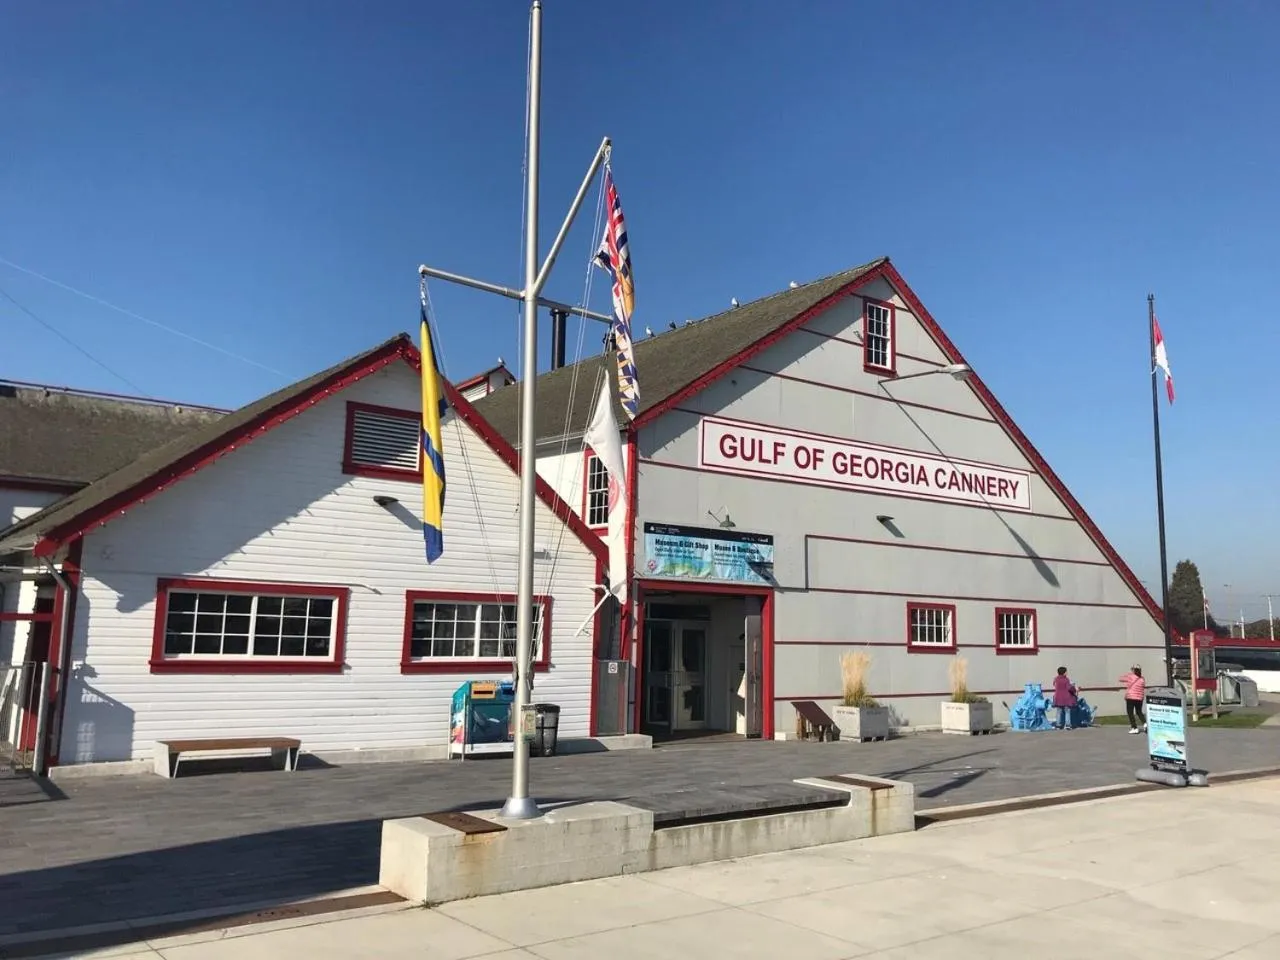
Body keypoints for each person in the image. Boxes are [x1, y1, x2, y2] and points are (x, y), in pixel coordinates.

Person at [1119, 665, 1146, 734]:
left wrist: (1129, 674)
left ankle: (1134, 728)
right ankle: (1145, 723)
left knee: (1130, 712)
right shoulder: (1142, 679)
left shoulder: (1130, 676)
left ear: (1134, 670)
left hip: (1131, 697)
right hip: (1139, 698)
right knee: (1139, 712)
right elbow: (1143, 686)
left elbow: (1120, 679)